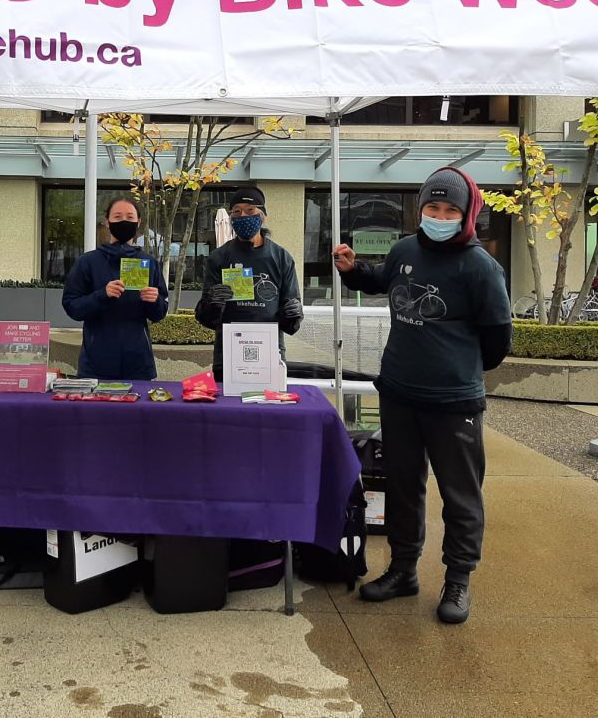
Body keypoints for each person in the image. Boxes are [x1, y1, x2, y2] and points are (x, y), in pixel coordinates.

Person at [333, 166, 511, 625]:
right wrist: (353, 271)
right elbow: (379, 282)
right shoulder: (405, 249)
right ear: (420, 209)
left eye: (450, 209)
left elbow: (497, 340)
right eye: (433, 207)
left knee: (461, 495)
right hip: (399, 393)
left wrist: (457, 369)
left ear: (467, 213)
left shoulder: (480, 267)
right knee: (403, 487)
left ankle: (458, 580)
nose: (440, 215)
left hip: (454, 403)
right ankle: (403, 569)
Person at [195, 187, 303, 380]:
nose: (242, 215)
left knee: (268, 409)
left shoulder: (281, 258)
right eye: (236, 211)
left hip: (270, 353)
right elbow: (205, 319)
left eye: (250, 210)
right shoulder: (218, 258)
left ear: (263, 216)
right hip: (228, 355)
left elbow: (292, 324)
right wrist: (212, 304)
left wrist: (292, 313)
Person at [62, 196, 169, 380]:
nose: (124, 222)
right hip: (96, 363)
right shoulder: (88, 262)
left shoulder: (148, 262)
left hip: (138, 363)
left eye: (129, 217)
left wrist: (154, 301)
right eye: (118, 217)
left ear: (138, 222)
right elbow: (72, 306)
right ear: (107, 222)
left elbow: (159, 313)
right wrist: (102, 295)